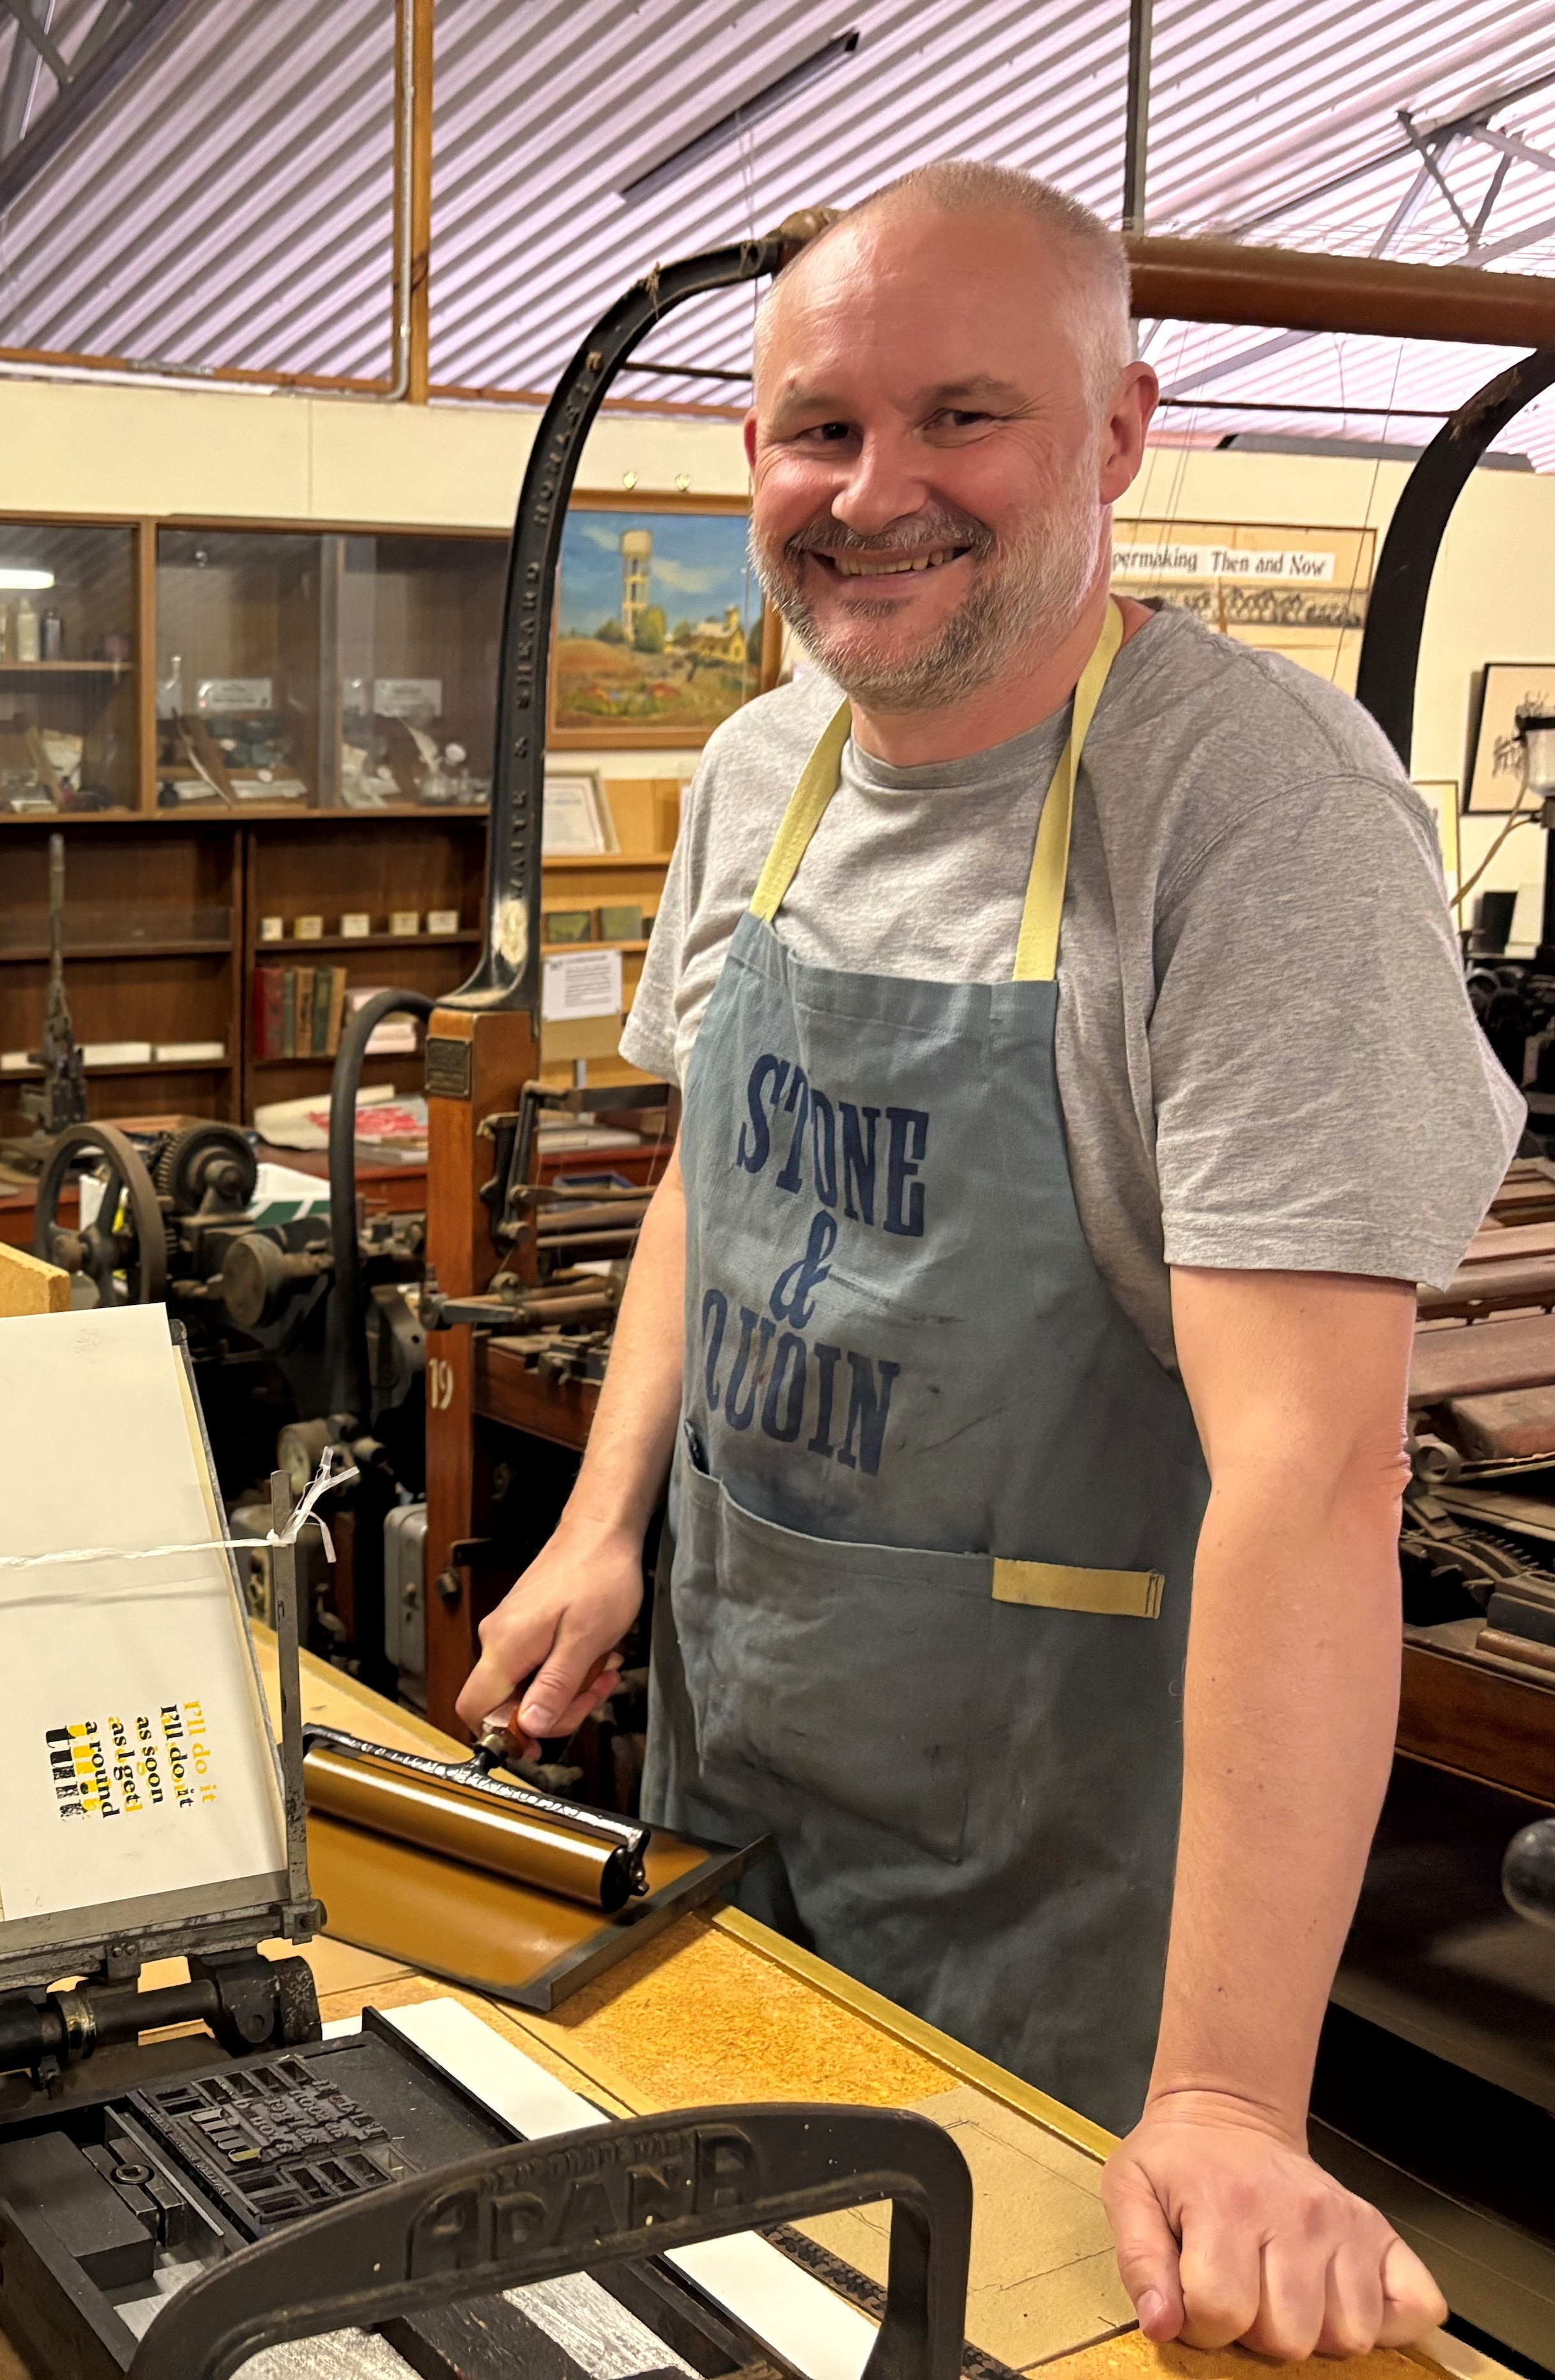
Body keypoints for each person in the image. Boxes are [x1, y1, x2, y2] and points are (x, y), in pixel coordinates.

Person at [458, 164, 1511, 2362]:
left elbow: (1310, 1476)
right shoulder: (767, 773)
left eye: (964, 419)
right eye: (819, 428)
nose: (876, 491)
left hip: (1063, 1860)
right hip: (741, 1773)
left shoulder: (1252, 819)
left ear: (1118, 436)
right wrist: (599, 1518)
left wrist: (1232, 2098)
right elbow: (704, 1184)